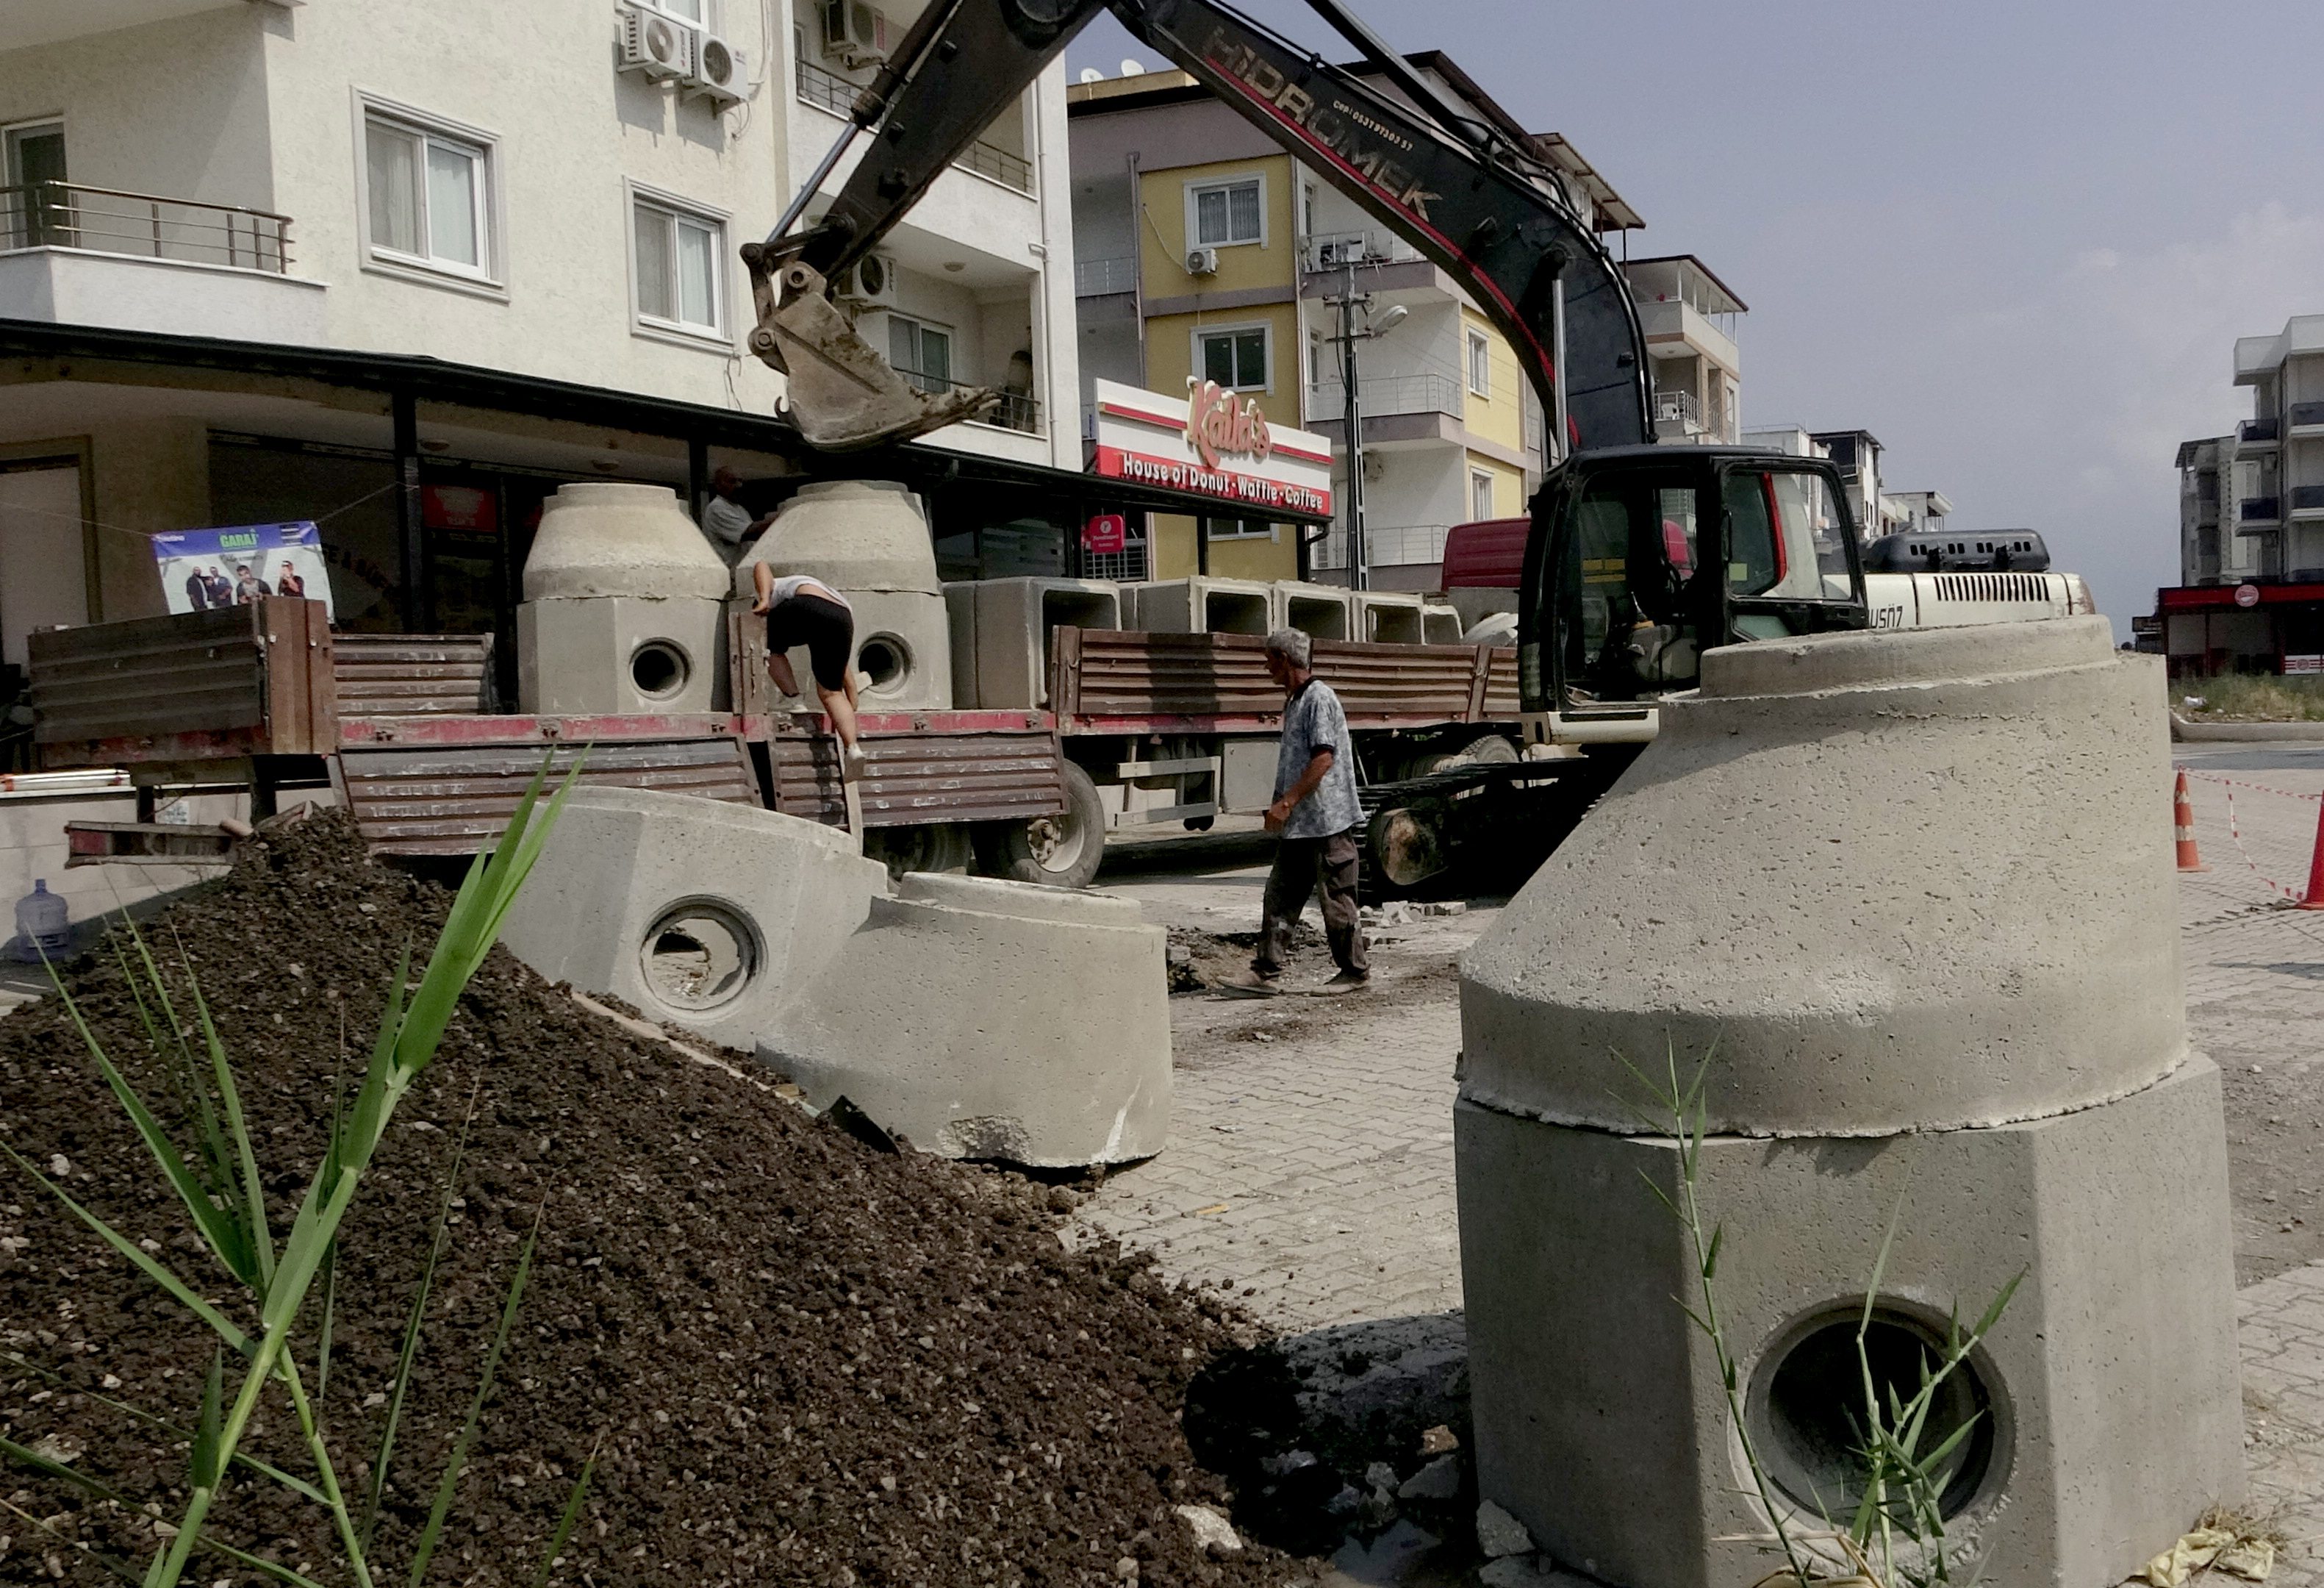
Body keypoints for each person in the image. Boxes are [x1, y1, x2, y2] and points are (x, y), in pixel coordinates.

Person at [1220, 629, 1370, 995]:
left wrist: (1286, 802)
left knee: (1336, 899)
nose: (1266, 666)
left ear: (1284, 660)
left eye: (1269, 659)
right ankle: (1265, 973)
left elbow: (1323, 758)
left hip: (1327, 821)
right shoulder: (1295, 701)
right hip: (1302, 824)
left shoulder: (1319, 698)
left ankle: (1354, 972)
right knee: (1280, 896)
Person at [751, 565, 867, 779]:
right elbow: (845, 675)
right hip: (842, 618)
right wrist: (851, 707)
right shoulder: (821, 591)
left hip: (808, 605)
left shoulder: (777, 586)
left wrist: (764, 600)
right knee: (831, 692)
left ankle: (793, 699)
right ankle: (853, 747)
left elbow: (761, 564)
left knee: (763, 640)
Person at [700, 468, 773, 565]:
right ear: (718, 485)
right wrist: (782, 517)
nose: (739, 485)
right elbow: (749, 533)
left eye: (740, 481)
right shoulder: (717, 507)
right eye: (732, 481)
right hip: (731, 574)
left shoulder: (739, 509)